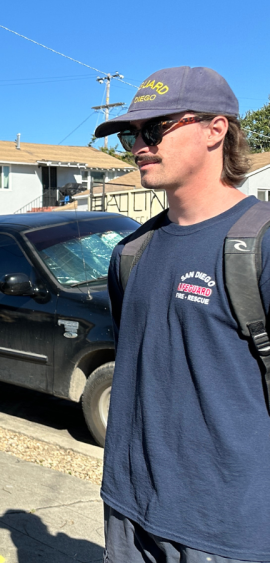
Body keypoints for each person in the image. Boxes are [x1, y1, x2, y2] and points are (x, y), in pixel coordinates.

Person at [97, 67, 268, 562]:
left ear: (217, 129)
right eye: (132, 133)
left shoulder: (259, 244)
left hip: (228, 530)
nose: (138, 146)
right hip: (129, 514)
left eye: (154, 130)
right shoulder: (131, 252)